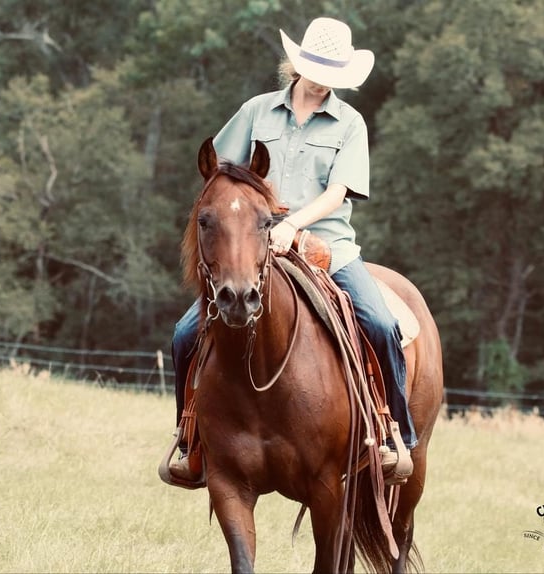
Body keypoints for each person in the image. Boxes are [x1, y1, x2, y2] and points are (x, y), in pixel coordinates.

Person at [170, 17, 416, 482]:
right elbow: (220, 172)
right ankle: (190, 440)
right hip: (253, 244)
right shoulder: (257, 111)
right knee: (184, 333)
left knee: (381, 323)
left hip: (328, 246)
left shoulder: (349, 123)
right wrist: (248, 218)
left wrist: (291, 226)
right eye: (317, 65)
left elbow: (338, 192)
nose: (323, 77)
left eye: (332, 70)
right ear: (299, 64)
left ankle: (394, 434)